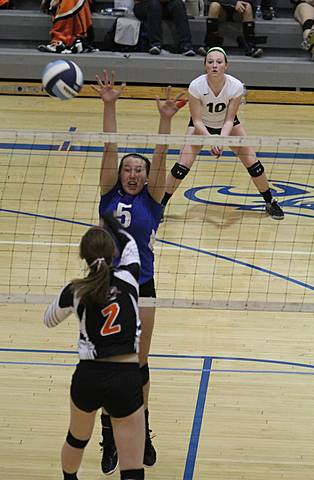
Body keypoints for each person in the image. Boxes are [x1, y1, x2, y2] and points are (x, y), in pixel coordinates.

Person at [91, 70, 186, 475]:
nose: (131, 173)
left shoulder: (154, 201)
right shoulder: (108, 192)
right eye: (127, 168)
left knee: (138, 365)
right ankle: (111, 435)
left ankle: (140, 431)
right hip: (106, 286)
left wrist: (166, 119)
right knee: (108, 366)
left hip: (142, 287)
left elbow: (161, 155)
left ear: (147, 177)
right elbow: (110, 147)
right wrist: (109, 104)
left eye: (138, 170)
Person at [43, 212, 146, 480]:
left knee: (77, 440)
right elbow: (132, 245)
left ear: (84, 258)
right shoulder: (130, 278)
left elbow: (48, 320)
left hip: (88, 376)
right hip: (125, 377)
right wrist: (110, 221)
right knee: (132, 468)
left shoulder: (76, 290)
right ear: (113, 252)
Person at [161, 47, 285, 221]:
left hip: (229, 126)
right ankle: (159, 205)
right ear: (205, 65)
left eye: (219, 62)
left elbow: (229, 120)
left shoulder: (235, 86)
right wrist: (212, 140)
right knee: (181, 167)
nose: (214, 65)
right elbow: (196, 121)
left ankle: (270, 201)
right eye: (210, 62)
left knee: (254, 165)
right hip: (201, 126)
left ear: (226, 65)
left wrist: (220, 139)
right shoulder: (196, 86)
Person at [198, 0, 266, 57]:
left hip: (239, 12)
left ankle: (251, 46)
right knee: (214, 6)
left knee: (247, 6)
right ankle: (210, 45)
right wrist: (233, 2)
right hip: (222, 10)